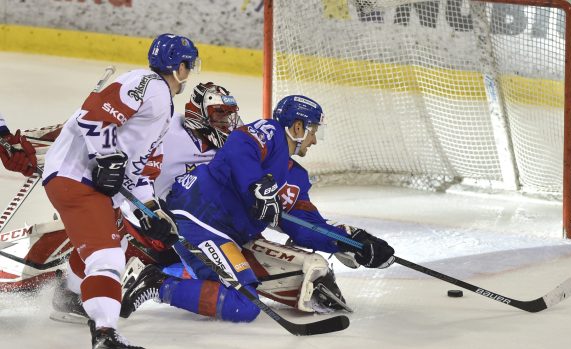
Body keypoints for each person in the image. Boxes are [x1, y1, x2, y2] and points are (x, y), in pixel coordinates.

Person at [120, 95, 396, 323]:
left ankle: (160, 272)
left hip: (227, 235)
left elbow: (304, 226)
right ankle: (153, 282)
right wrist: (257, 186)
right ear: (297, 128)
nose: (314, 140)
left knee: (247, 300)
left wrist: (353, 242)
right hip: (197, 217)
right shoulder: (270, 132)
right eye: (314, 131)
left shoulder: (296, 177)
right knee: (245, 304)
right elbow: (240, 146)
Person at [41, 33, 199, 349]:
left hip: (89, 185)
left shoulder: (163, 111)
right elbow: (93, 115)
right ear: (179, 67)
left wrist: (153, 213)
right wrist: (107, 156)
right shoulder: (147, 83)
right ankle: (104, 335)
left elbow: (137, 177)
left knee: (112, 247)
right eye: (188, 65)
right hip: (77, 177)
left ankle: (71, 297)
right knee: (108, 258)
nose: (189, 71)